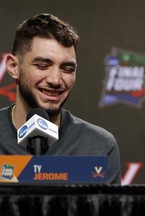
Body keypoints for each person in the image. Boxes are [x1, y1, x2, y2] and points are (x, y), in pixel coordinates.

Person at [0, 13, 121, 184]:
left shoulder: (100, 146)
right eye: (42, 66)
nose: (55, 80)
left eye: (67, 68)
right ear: (13, 67)